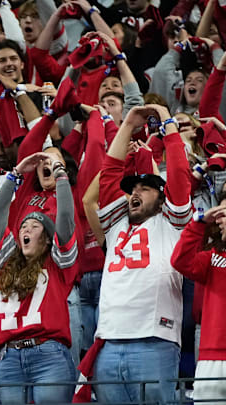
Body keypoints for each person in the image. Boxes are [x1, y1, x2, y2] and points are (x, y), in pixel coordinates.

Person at [94, 105, 192, 404]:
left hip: (154, 342)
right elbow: (110, 173)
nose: (135, 193)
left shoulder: (173, 222)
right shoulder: (115, 223)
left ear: (162, 197)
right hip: (109, 343)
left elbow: (179, 175)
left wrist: (168, 122)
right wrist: (128, 125)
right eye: (133, 188)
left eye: (145, 188)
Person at [0, 151, 78, 404]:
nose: (26, 229)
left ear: (48, 238)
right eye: (23, 227)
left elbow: (65, 218)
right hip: (9, 358)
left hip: (48, 352)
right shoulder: (6, 261)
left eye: (35, 226)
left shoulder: (58, 263)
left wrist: (60, 174)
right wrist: (15, 174)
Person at [172, 202, 226, 404]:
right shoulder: (213, 259)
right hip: (211, 359)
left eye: (223, 214)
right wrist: (198, 223)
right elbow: (180, 261)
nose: (218, 220)